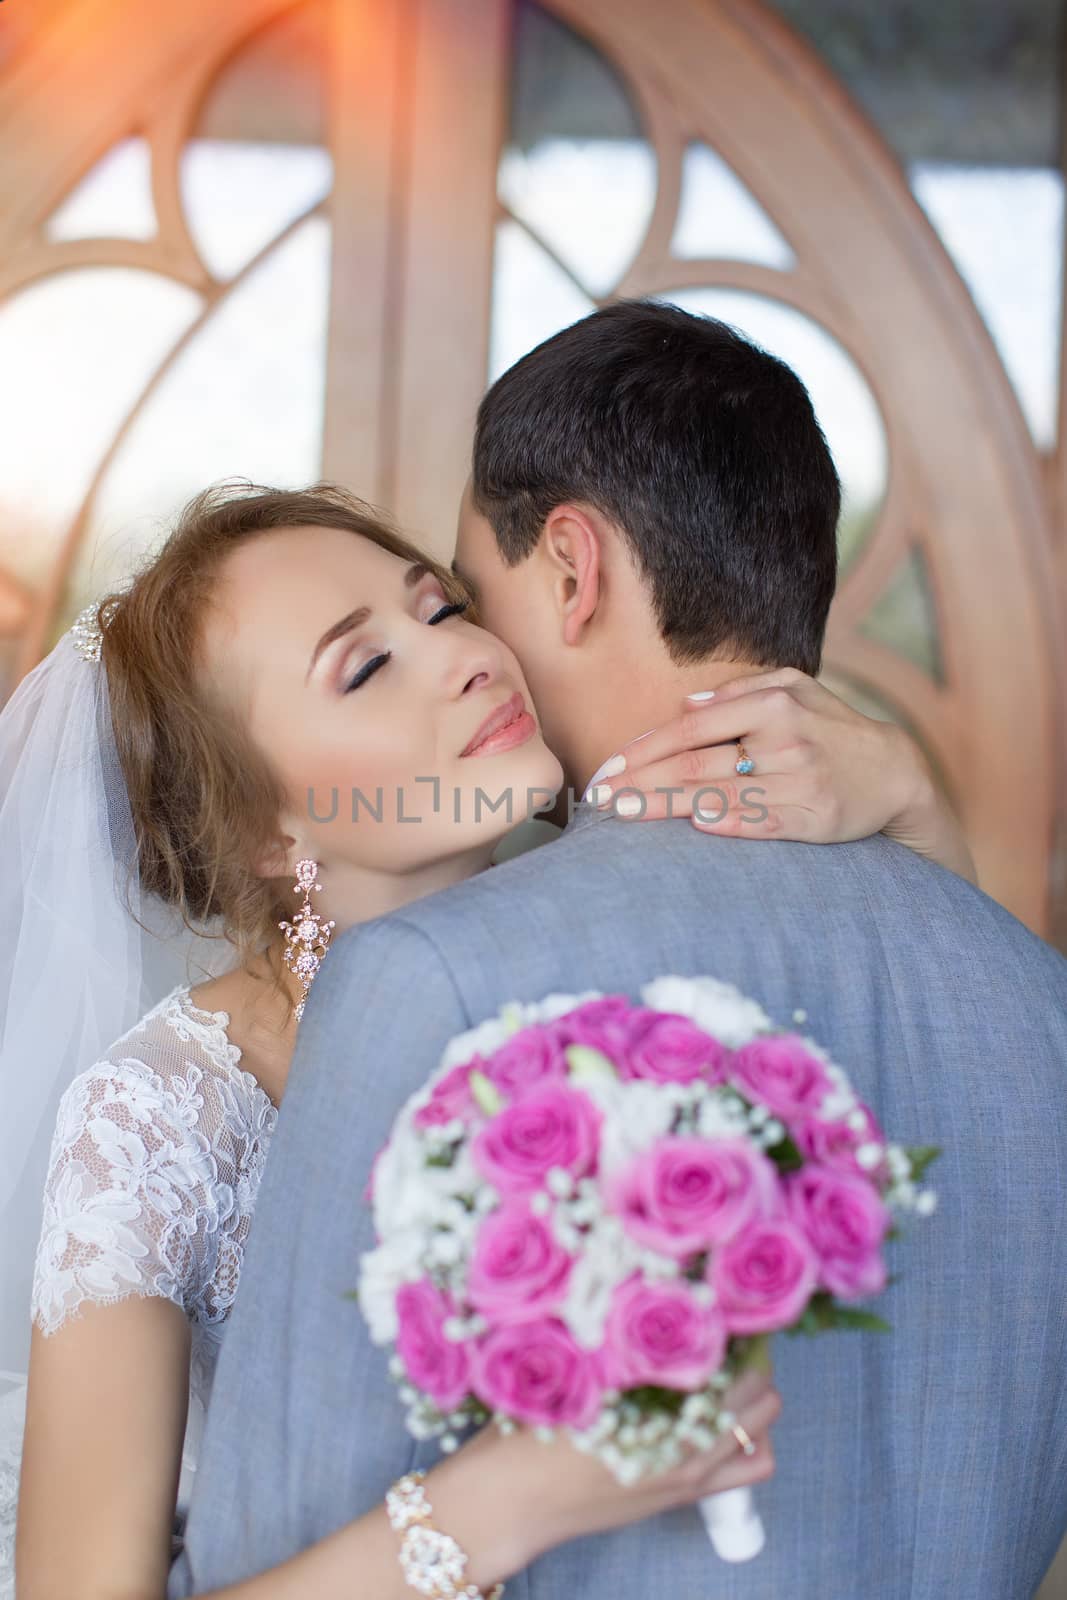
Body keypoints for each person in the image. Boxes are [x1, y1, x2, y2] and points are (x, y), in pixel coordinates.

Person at [162, 302, 1067, 1600]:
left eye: (470, 596)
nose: (471, 654)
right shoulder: (1037, 1012)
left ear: (572, 569)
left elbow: (271, 1551)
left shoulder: (435, 982)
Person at [1, 443, 963, 1599]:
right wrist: (511, 1500)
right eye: (364, 669)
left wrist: (911, 802)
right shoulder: (153, 1117)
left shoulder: (619, 977)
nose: (461, 657)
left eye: (442, 605)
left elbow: (952, 1074)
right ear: (269, 829)